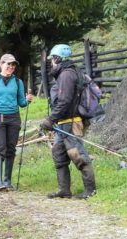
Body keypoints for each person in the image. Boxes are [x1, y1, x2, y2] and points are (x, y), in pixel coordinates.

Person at [41, 44, 97, 199]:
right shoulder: (69, 72)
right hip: (64, 121)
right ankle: (64, 189)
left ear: (57, 58)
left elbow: (64, 101)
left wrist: (50, 120)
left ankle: (90, 190)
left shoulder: (66, 74)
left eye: (52, 58)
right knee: (58, 153)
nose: (51, 62)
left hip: (71, 121)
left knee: (77, 153)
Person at [0, 54, 34, 191]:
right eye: (8, 64)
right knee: (0, 148)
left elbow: (21, 103)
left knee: (11, 149)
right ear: (1, 64)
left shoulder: (18, 82)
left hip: (14, 118)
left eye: (13, 65)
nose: (11, 67)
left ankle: (7, 181)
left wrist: (27, 100)